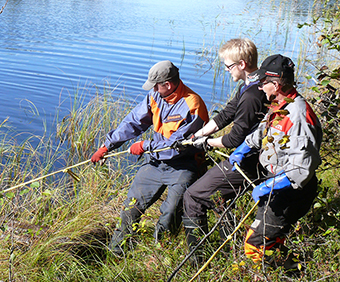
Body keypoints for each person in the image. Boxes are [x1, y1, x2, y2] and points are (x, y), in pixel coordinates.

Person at [90, 60, 209, 255]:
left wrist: (145, 145)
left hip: (184, 165)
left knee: (170, 213)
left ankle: (160, 253)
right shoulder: (155, 95)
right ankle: (116, 252)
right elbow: (133, 122)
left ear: (168, 85)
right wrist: (107, 146)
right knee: (131, 207)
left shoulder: (193, 105)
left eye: (156, 85)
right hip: (155, 162)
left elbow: (177, 146)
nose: (153, 89)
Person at [178, 39, 269, 262]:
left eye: (228, 66)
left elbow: (235, 138)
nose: (226, 71)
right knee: (222, 200)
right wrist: (199, 135)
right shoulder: (251, 85)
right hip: (247, 156)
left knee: (192, 196)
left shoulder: (251, 97)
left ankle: (197, 259)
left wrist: (207, 144)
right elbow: (225, 115)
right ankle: (229, 252)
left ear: (242, 64)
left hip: (248, 162)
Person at [229, 54, 321, 272]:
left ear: (276, 84)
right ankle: (296, 269)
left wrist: (269, 186)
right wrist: (243, 148)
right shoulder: (281, 104)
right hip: (276, 184)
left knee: (255, 245)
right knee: (269, 239)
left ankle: (284, 274)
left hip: (291, 191)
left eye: (263, 83)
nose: (260, 88)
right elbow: (265, 131)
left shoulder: (298, 115)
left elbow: (301, 170)